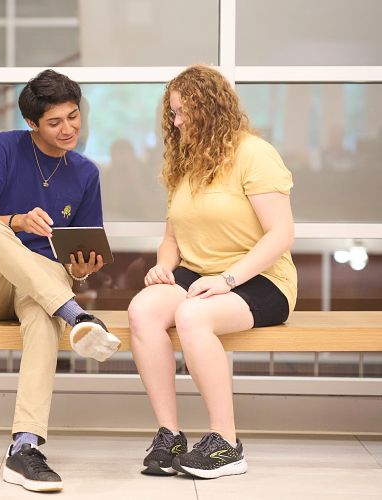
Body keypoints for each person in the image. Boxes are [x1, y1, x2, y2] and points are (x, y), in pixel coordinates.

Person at [0, 69, 121, 492]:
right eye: (55, 122)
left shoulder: (86, 173)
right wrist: (17, 220)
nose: (68, 129)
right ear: (32, 124)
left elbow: (76, 256)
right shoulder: (4, 148)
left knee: (46, 315)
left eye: (73, 117)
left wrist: (81, 268)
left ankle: (24, 448)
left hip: (41, 286)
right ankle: (76, 315)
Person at [127, 65, 297, 479]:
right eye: (173, 113)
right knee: (142, 309)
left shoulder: (253, 153)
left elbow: (281, 233)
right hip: (199, 275)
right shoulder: (186, 161)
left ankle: (226, 443)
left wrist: (227, 280)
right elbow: (172, 238)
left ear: (210, 108)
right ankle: (169, 435)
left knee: (191, 315)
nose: (176, 121)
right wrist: (163, 269)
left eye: (183, 112)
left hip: (261, 279)